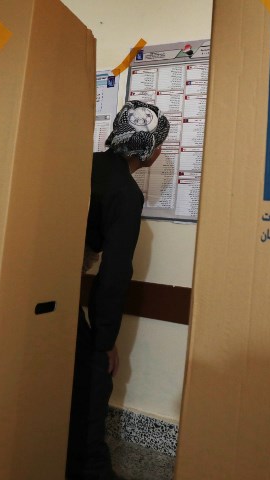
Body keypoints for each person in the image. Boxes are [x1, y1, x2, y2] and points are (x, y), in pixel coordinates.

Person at [66, 101, 170, 480]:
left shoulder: (83, 162)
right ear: (152, 151)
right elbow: (114, 274)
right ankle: (89, 467)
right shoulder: (125, 193)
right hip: (59, 283)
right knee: (94, 377)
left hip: (28, 278)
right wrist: (105, 341)